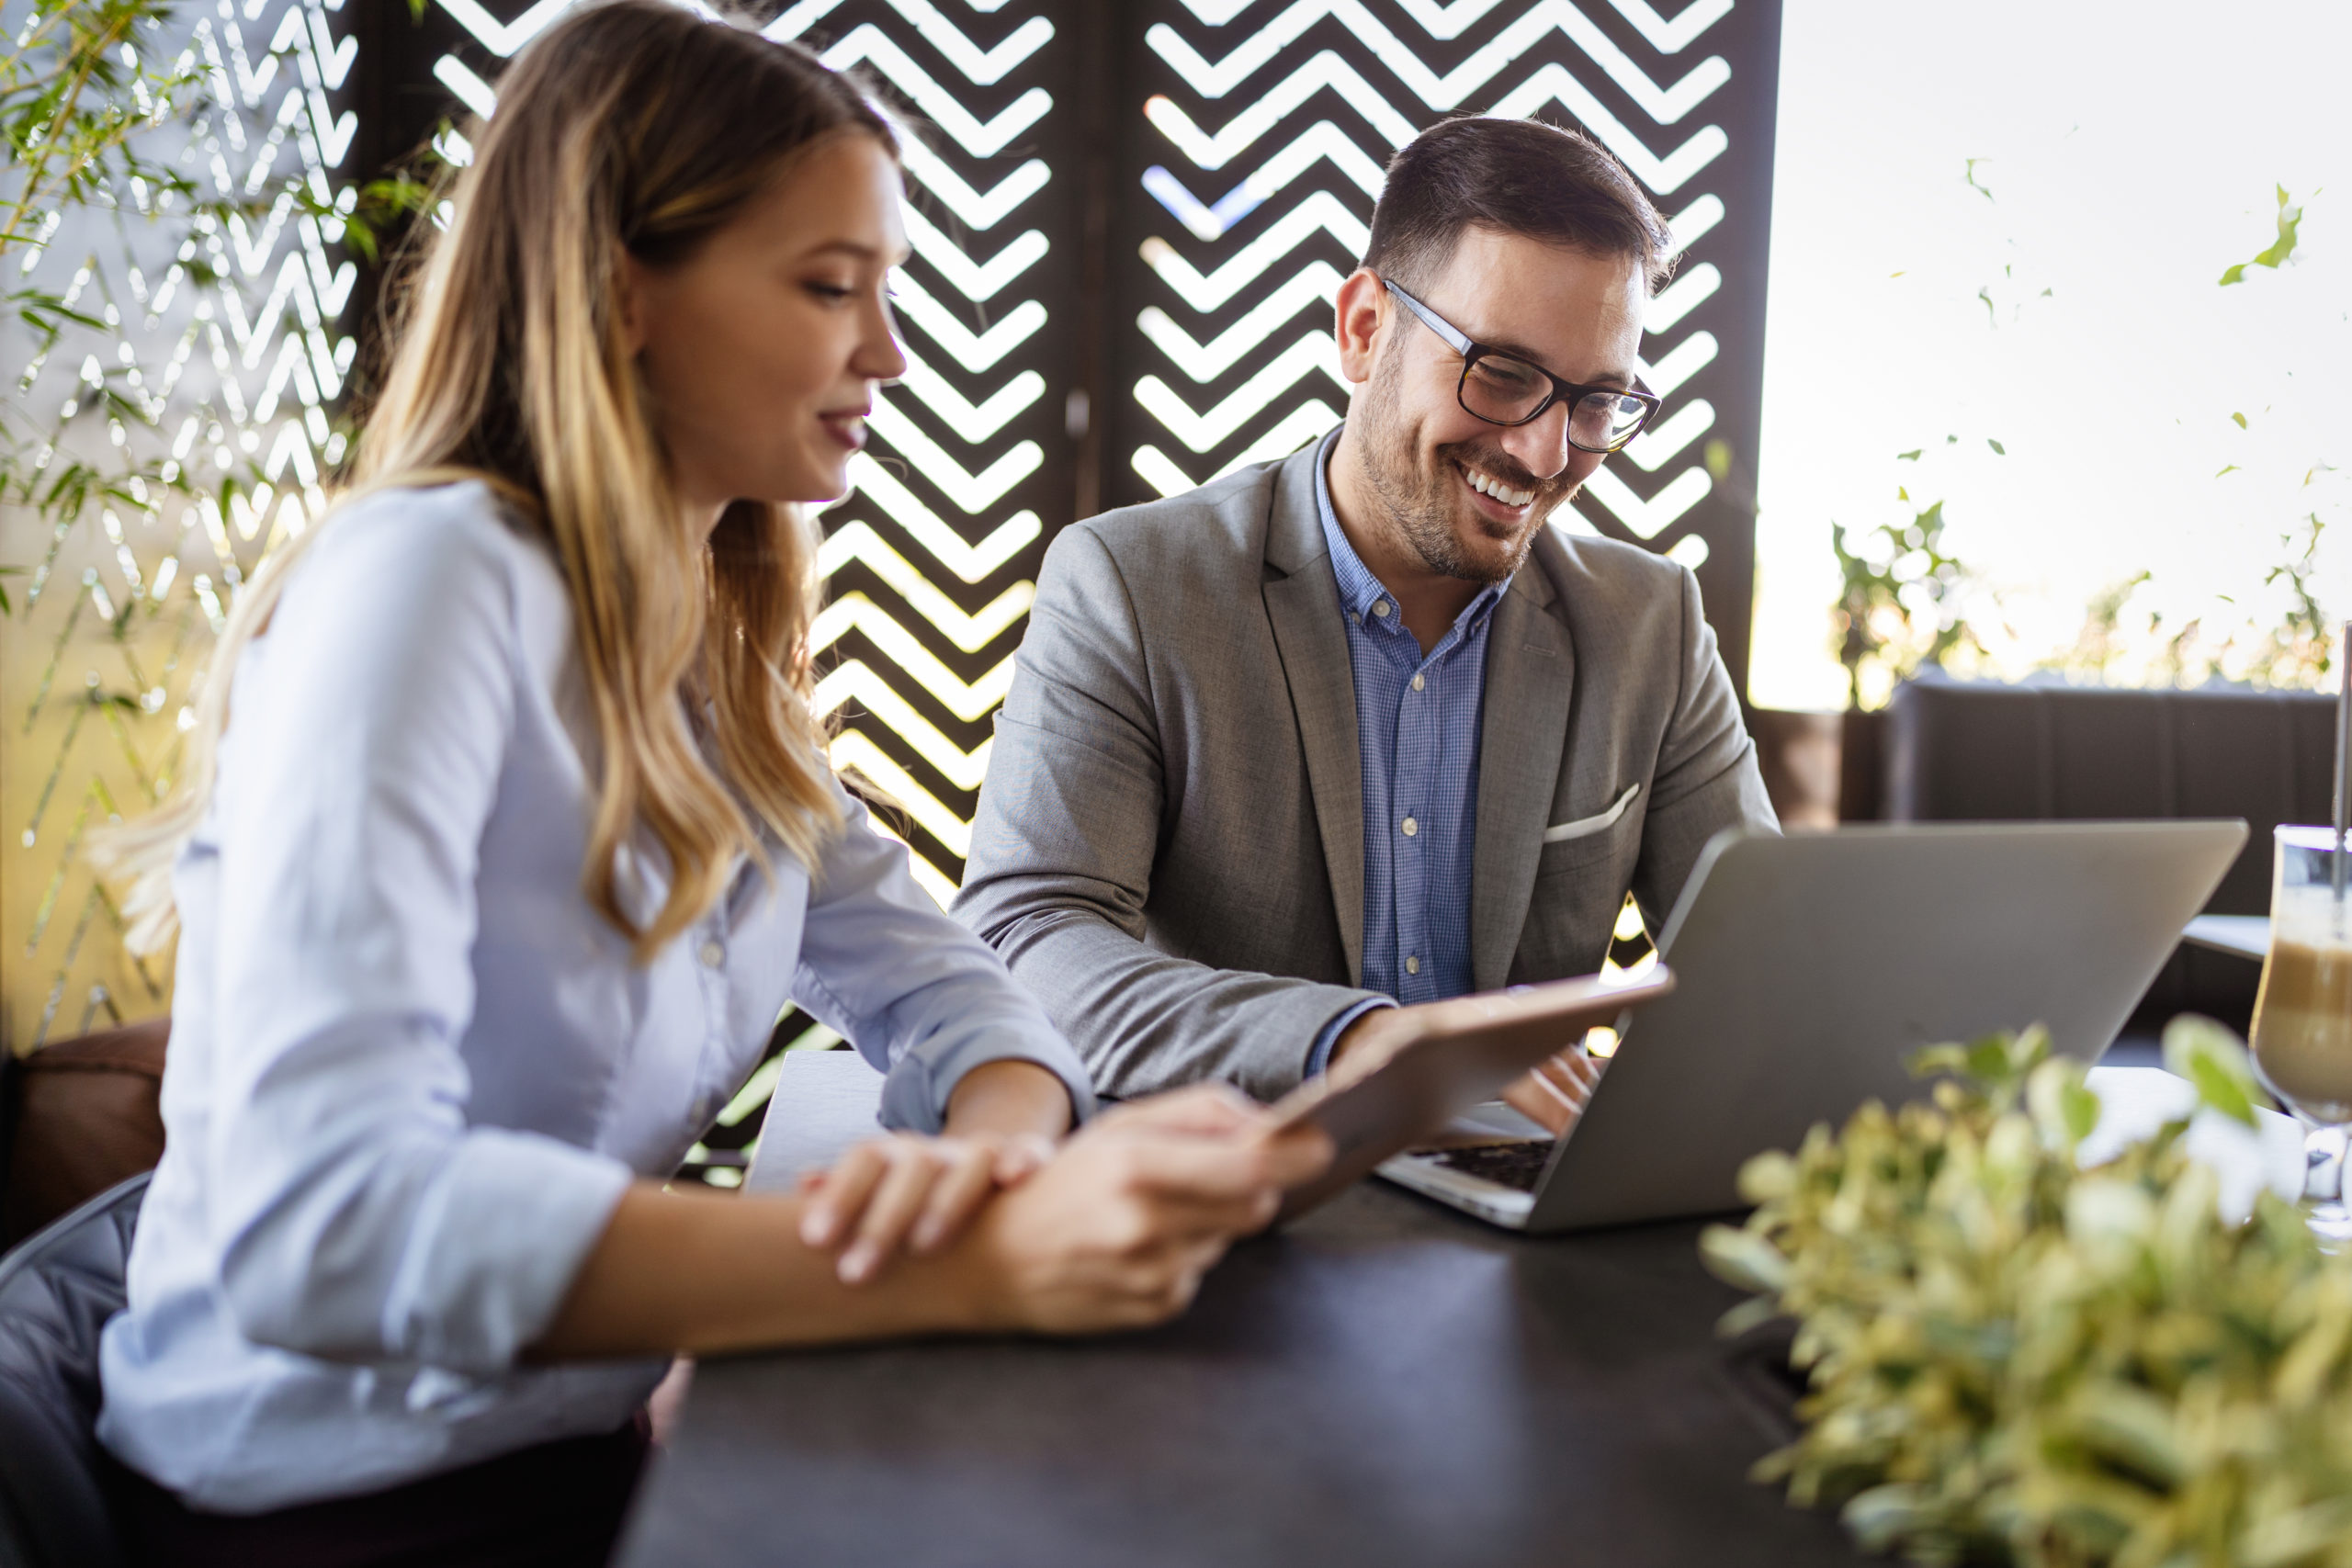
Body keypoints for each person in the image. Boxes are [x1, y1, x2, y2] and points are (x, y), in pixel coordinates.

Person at [88, 6, 1328, 1562]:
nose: (886, 352)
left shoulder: (707, 654)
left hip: (561, 1447)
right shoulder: (426, 585)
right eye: (830, 289)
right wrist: (962, 1262)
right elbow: (318, 1224)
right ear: (624, 294)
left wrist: (994, 1160)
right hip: (323, 1503)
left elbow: (950, 979)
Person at [956, 116, 1778, 1131]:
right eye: (1503, 374)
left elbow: (1761, 975)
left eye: (1596, 401)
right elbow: (1026, 940)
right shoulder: (1132, 584)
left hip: (1521, 1227)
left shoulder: (1650, 623)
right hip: (1238, 1209)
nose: (1542, 451)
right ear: (1362, 329)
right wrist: (1365, 1042)